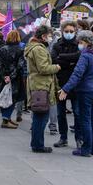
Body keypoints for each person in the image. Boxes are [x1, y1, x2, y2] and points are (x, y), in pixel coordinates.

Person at [59, 30, 93, 157]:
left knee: (85, 120)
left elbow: (77, 74)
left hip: (86, 91)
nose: (80, 44)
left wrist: (65, 88)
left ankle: (86, 149)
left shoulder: (85, 56)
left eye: (81, 42)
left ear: (88, 42)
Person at [24, 25, 61, 153]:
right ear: (43, 36)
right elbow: (43, 68)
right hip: (41, 85)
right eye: (49, 35)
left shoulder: (35, 47)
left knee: (39, 116)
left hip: (38, 84)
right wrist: (56, 67)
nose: (50, 38)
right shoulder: (38, 49)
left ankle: (36, 144)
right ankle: (38, 145)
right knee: (41, 116)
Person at [51, 21, 81, 148]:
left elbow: (80, 58)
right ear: (63, 31)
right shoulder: (57, 45)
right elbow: (53, 60)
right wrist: (70, 61)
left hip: (75, 84)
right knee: (60, 113)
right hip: (61, 83)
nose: (69, 33)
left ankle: (79, 138)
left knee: (77, 112)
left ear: (75, 31)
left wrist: (62, 58)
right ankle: (63, 138)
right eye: (67, 31)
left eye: (71, 31)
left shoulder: (79, 44)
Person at [0, 30, 26, 129]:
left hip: (4, 77)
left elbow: (0, 65)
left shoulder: (2, 49)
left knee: (5, 96)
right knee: (13, 98)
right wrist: (11, 76)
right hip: (15, 78)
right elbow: (20, 66)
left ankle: (7, 118)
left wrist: (4, 76)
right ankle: (5, 119)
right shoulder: (20, 49)